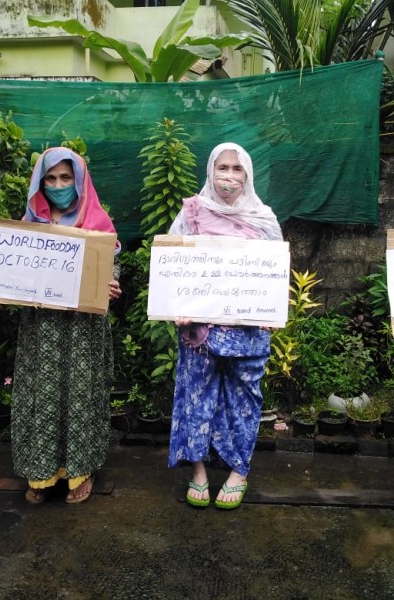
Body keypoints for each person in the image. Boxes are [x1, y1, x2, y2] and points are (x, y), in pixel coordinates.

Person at [0, 148, 121, 504]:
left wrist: (112, 284)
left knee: (80, 393)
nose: (58, 185)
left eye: (66, 178)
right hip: (42, 329)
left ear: (79, 181)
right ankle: (42, 472)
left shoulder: (97, 222)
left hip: (83, 330)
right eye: (50, 179)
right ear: (39, 182)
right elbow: (9, 274)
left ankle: (80, 471)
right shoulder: (27, 226)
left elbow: (111, 269)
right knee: (42, 393)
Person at [167, 142, 283, 509]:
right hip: (199, 332)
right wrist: (176, 304)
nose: (228, 176)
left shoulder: (263, 219)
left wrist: (270, 309)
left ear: (247, 174)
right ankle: (198, 471)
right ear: (210, 171)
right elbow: (173, 265)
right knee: (196, 398)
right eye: (222, 168)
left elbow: (275, 273)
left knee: (243, 401)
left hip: (247, 333)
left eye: (236, 169)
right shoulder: (192, 213)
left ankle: (238, 471)